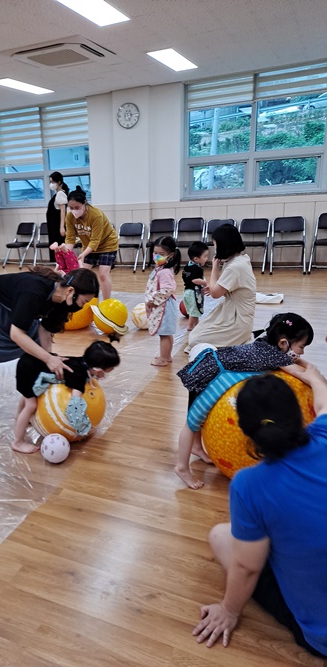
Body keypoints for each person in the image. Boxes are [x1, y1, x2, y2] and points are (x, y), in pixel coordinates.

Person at [193, 366, 327, 658]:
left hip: (321, 637)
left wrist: (228, 610)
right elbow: (324, 402)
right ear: (300, 411)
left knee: (220, 535)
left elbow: (247, 567)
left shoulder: (249, 484)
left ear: (244, 430)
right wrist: (315, 378)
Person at [175, 312, 314, 489]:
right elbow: (300, 374)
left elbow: (294, 361)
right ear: (283, 343)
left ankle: (196, 448)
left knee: (196, 419)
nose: (302, 352)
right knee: (192, 422)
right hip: (212, 373)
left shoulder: (266, 342)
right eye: (301, 347)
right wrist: (316, 377)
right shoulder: (275, 355)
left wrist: (303, 362)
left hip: (211, 365)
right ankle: (182, 467)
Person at [0, 266, 100, 432]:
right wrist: (48, 359)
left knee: (35, 352)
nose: (82, 307)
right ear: (71, 291)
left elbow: (45, 331)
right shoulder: (33, 292)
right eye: (84, 302)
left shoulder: (62, 300)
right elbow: (16, 334)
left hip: (18, 306)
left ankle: (27, 407)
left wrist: (47, 360)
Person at [13, 340, 120, 453]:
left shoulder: (80, 361)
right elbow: (74, 407)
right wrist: (82, 428)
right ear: (98, 370)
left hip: (29, 361)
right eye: (107, 372)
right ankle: (18, 442)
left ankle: (19, 418)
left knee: (28, 394)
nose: (105, 376)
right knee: (31, 405)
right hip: (28, 369)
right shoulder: (78, 376)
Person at [186, 224, 256, 354]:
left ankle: (240, 339)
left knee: (195, 340)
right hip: (231, 312)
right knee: (196, 333)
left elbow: (215, 294)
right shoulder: (239, 259)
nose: (215, 248)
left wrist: (214, 268)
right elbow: (228, 288)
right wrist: (216, 287)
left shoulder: (234, 267)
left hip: (237, 320)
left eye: (215, 245)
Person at [64, 186, 118, 300]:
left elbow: (95, 240)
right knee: (82, 275)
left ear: (84, 203)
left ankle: (106, 303)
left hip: (107, 244)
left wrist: (83, 254)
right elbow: (70, 238)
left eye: (77, 207)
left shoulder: (96, 215)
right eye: (71, 208)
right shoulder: (69, 217)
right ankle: (87, 301)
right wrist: (65, 254)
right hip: (88, 246)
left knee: (103, 275)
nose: (74, 210)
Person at [145, 236, 181, 367]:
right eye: (155, 253)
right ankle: (167, 356)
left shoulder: (164, 271)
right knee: (166, 333)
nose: (157, 256)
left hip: (163, 307)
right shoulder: (161, 268)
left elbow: (167, 289)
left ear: (170, 255)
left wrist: (152, 300)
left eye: (161, 254)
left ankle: (163, 358)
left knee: (164, 335)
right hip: (164, 306)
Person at [182, 241, 209, 332]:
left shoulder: (187, 266)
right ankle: (190, 326)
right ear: (196, 259)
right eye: (205, 256)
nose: (206, 258)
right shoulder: (197, 269)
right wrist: (205, 283)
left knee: (195, 310)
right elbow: (194, 280)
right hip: (193, 293)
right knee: (194, 311)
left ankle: (197, 325)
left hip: (187, 292)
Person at [46, 172, 69, 263]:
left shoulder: (60, 194)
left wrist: (62, 227)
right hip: (53, 225)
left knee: (59, 246)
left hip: (57, 225)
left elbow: (63, 211)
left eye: (52, 182)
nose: (51, 184)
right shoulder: (57, 194)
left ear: (59, 182)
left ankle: (63, 264)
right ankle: (59, 264)